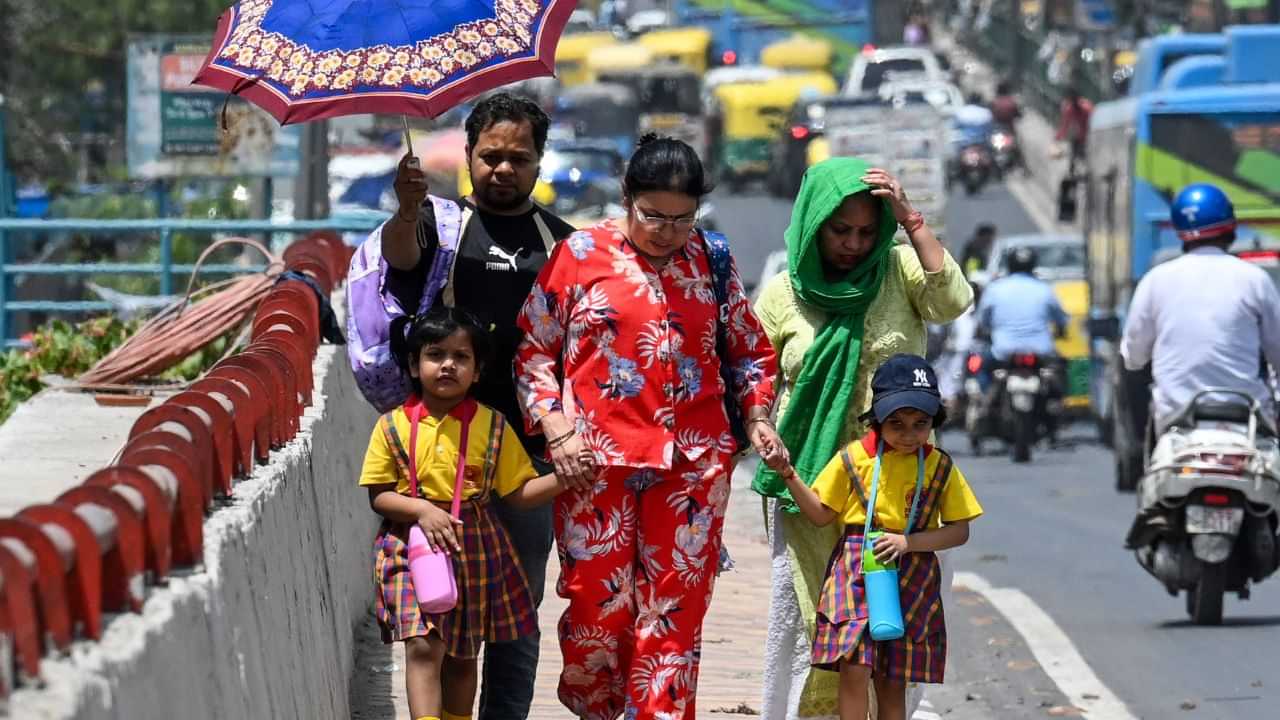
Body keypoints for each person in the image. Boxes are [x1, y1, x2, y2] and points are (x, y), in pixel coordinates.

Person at [513, 135, 783, 719]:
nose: (666, 230)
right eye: (652, 215)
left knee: (672, 619)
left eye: (681, 219)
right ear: (627, 198)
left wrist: (758, 416)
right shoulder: (580, 254)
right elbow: (534, 351)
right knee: (595, 614)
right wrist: (557, 431)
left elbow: (750, 353)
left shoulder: (712, 260)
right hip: (592, 466)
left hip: (693, 467)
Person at [753, 157, 972, 719]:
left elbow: (952, 301)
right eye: (839, 230)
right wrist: (760, 427)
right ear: (812, 225)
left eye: (866, 232)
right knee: (812, 624)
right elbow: (752, 372)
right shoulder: (783, 295)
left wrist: (911, 219)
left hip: (901, 492)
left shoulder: (899, 271)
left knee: (891, 632)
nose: (853, 244)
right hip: (813, 490)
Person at [382, 92, 577, 719]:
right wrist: (406, 211)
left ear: (540, 162)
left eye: (519, 158)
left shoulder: (565, 245)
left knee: (516, 623)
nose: (503, 169)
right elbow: (401, 260)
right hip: (435, 468)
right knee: (438, 621)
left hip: (526, 465)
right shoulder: (439, 227)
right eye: (490, 155)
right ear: (467, 155)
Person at [359, 308, 568, 720]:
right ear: (415, 366)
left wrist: (569, 477)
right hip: (409, 545)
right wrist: (420, 510)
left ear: (477, 372)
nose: (448, 365)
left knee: (462, 653)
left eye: (462, 357)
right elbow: (379, 496)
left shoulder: (493, 427)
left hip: (475, 545)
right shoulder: (391, 427)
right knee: (421, 644)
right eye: (436, 354)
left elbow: (520, 493)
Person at [769, 354, 982, 720]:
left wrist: (908, 543)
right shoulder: (854, 459)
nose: (909, 434)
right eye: (896, 423)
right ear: (877, 420)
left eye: (920, 423)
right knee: (853, 667)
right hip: (855, 572)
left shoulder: (940, 466)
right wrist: (788, 474)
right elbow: (821, 514)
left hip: (911, 575)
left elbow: (959, 530)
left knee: (892, 676)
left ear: (934, 422)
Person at [1121, 183, 1280, 434]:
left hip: (1175, 422)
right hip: (1246, 422)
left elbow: (1133, 357)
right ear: (1230, 227)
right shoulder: (1254, 279)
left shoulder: (1155, 280)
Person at [976, 246, 1068, 364]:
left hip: (1003, 352)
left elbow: (982, 320)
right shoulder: (1044, 288)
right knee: (1062, 370)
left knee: (979, 372)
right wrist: (1060, 330)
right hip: (1041, 350)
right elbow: (1061, 319)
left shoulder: (995, 289)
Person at [1053, 87, 1093, 177]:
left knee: (1084, 157)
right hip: (1078, 138)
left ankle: (1086, 173)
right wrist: (1057, 138)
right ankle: (1072, 173)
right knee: (1073, 157)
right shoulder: (1070, 109)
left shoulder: (1086, 108)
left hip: (1088, 138)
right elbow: (1064, 125)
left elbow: (1093, 122)